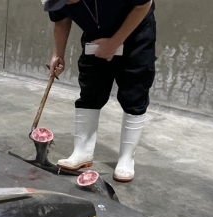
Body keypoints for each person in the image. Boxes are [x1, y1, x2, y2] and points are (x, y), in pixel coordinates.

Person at [44, 0, 156, 182]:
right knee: (90, 89)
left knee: (134, 93)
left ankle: (127, 158)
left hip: (136, 33)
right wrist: (58, 53)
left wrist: (114, 42)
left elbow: (143, 4)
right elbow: (61, 18)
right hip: (94, 36)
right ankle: (82, 152)